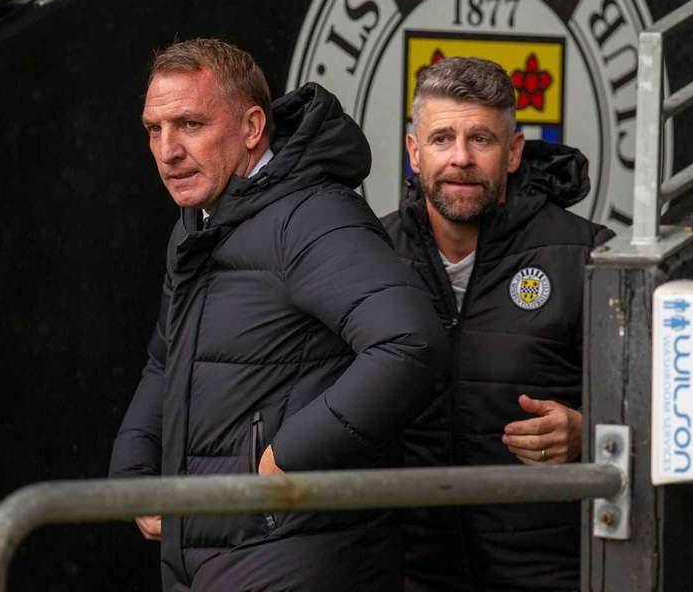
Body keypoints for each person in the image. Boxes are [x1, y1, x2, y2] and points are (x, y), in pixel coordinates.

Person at [109, 38, 447, 592]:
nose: (167, 149)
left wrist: (284, 462)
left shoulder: (311, 214)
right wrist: (134, 476)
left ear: (251, 128)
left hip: (298, 552)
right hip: (213, 550)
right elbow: (164, 360)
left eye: (190, 124)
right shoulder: (199, 220)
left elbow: (411, 342)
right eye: (154, 129)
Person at [381, 56, 614, 591]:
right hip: (408, 572)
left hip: (550, 570)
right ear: (414, 153)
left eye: (480, 139)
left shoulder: (588, 254)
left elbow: (657, 411)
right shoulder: (369, 256)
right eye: (442, 139)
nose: (460, 158)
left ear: (512, 152)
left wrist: (588, 431)